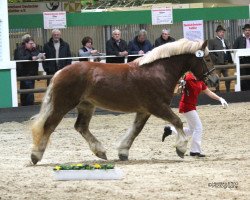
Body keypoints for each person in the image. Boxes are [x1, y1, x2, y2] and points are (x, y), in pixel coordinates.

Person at [162, 72, 228, 157]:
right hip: (186, 106)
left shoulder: (200, 80)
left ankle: (170, 130)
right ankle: (194, 151)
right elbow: (181, 82)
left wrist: (220, 99)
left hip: (191, 106)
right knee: (198, 128)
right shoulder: (189, 77)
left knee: (192, 130)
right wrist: (182, 83)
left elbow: (208, 92)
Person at [14, 37, 45, 106]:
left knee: (29, 91)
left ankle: (27, 105)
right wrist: (31, 58)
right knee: (27, 91)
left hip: (32, 73)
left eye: (33, 43)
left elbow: (38, 54)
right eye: (30, 43)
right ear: (26, 43)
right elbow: (20, 59)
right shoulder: (19, 49)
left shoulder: (34, 49)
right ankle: (28, 106)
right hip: (24, 73)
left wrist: (42, 56)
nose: (32, 45)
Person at [208, 25, 233, 93]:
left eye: (223, 32)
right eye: (220, 32)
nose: (222, 33)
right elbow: (210, 52)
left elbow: (228, 51)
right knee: (216, 79)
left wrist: (230, 59)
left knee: (228, 78)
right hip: (217, 64)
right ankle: (218, 92)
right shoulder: (212, 41)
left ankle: (228, 91)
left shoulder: (226, 40)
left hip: (225, 63)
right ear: (217, 33)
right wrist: (215, 60)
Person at [233, 23, 250, 91]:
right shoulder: (239, 39)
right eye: (246, 30)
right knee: (243, 75)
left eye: (249, 30)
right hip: (242, 60)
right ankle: (244, 91)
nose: (247, 31)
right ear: (243, 31)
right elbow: (234, 49)